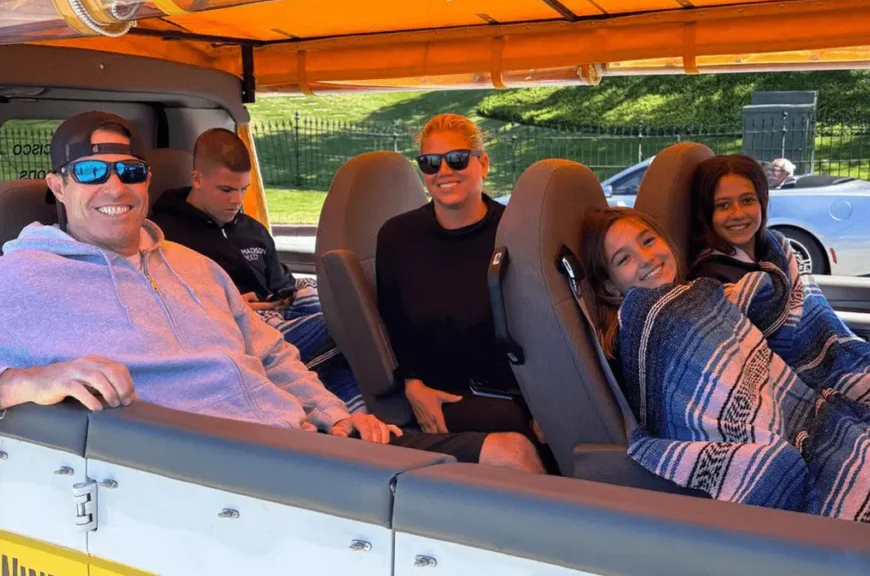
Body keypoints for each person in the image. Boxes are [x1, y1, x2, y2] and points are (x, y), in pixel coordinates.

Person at [0, 111, 542, 473]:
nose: (115, 187)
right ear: (57, 185)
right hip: (228, 474)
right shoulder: (20, 279)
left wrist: (334, 413)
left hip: (304, 439)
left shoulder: (194, 265)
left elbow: (274, 353)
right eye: (92, 172)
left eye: (129, 171)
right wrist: (31, 380)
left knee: (512, 453)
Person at [579, 206, 870, 524]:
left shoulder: (701, 292)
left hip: (813, 414)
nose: (645, 258)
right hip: (773, 442)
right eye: (623, 259)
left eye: (648, 240)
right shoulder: (646, 329)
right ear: (610, 287)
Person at [375, 113, 547, 471]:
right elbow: (392, 326)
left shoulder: (517, 231)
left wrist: (545, 405)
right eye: (430, 163)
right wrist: (411, 383)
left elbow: (545, 329)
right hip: (446, 395)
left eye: (456, 159)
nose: (443, 171)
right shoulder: (397, 238)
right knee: (510, 431)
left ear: (483, 162)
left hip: (521, 391)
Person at [150, 129, 359, 411]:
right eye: (226, 190)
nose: (237, 200)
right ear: (197, 179)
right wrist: (230, 306)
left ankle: (351, 415)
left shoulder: (253, 230)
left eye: (244, 189)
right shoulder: (165, 235)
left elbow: (284, 284)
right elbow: (165, 304)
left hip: (278, 318)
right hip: (230, 330)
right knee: (346, 330)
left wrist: (284, 297)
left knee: (349, 321)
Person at [689, 154, 773, 284]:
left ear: (762, 202)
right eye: (723, 205)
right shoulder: (712, 277)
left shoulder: (773, 248)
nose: (738, 214)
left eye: (747, 200)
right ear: (705, 212)